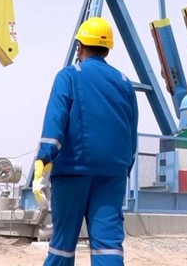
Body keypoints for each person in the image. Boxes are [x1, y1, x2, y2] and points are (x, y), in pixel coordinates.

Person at [33, 16, 139, 266]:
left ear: (79, 47)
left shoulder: (69, 76)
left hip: (73, 171)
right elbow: (131, 133)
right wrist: (123, 169)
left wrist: (43, 160)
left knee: (62, 246)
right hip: (112, 175)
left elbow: (55, 122)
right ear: (107, 49)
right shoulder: (125, 83)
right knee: (108, 247)